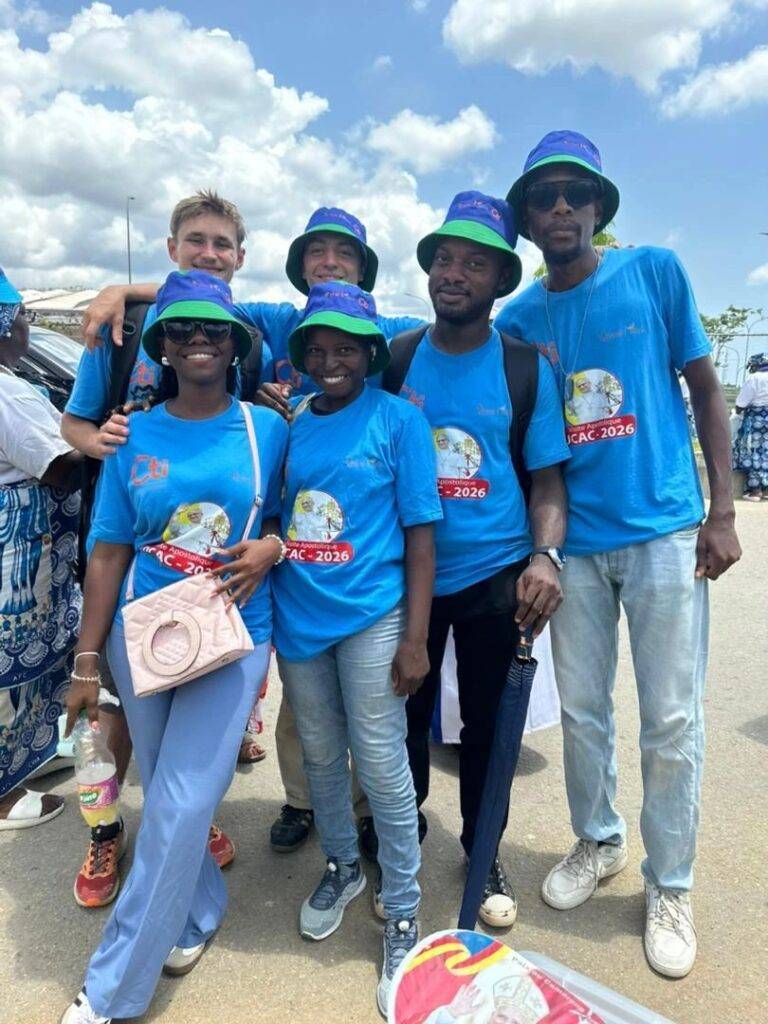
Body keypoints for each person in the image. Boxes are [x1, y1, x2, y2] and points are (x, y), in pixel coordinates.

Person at [86, 205, 425, 855]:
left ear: (364, 272)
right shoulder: (273, 322)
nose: (330, 262)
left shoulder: (388, 335)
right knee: (305, 720)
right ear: (299, 265)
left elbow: (447, 329)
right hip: (280, 572)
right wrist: (121, 290)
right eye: (317, 250)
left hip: (357, 574)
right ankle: (303, 803)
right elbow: (200, 302)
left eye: (345, 253)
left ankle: (377, 826)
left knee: (376, 730)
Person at [495, 129, 742, 978]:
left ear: (599, 208)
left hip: (665, 529)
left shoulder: (654, 272)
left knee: (671, 718)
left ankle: (669, 883)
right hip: (575, 545)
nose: (561, 207)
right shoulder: (518, 320)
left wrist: (722, 510)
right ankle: (597, 841)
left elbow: (706, 391)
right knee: (584, 712)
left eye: (577, 194)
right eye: (545, 197)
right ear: (528, 219)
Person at [60, 270, 288, 1024]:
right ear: (160, 345)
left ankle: (111, 991)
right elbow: (107, 550)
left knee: (185, 800)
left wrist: (275, 545)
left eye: (214, 329)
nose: (198, 339)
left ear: (235, 345)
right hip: (146, 637)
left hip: (233, 632)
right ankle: (197, 910)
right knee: (166, 797)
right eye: (182, 328)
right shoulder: (132, 435)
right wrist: (87, 660)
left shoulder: (268, 429)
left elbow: (299, 514)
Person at [387, 192, 570, 929]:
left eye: (474, 262)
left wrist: (545, 556)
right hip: (408, 575)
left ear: (500, 280)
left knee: (490, 728)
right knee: (402, 716)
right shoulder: (396, 357)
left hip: (497, 574)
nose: (453, 273)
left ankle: (483, 847)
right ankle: (400, 841)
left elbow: (547, 480)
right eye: (444, 259)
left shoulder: (523, 367)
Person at [268, 281, 441, 1017]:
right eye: (318, 349)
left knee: (379, 759)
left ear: (371, 354)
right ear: (302, 355)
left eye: (347, 348)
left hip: (374, 616)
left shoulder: (400, 420)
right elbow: (277, 516)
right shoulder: (293, 424)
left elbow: (422, 535)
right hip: (300, 617)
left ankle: (402, 904)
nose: (331, 361)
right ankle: (342, 865)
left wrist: (415, 639)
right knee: (318, 755)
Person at [0, 276, 83, 829]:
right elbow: (59, 466)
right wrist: (108, 441)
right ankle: (4, 794)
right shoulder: (5, 392)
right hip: (18, 556)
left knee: (32, 666)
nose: (29, 325)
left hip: (30, 550)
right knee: (10, 669)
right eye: (24, 315)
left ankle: (32, 753)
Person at [733, 352, 768, 500]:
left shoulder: (754, 378)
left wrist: (737, 412)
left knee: (753, 451)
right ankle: (766, 490)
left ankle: (755, 490)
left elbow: (741, 403)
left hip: (757, 420)